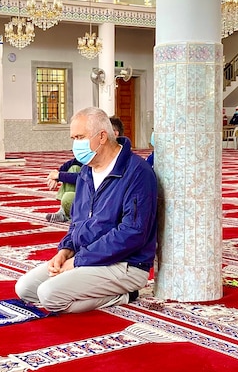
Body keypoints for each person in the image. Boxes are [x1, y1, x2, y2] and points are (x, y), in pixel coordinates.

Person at [15, 107, 157, 314]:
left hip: (126, 264)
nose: (75, 144)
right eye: (73, 138)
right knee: (26, 289)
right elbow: (77, 223)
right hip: (88, 258)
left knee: (49, 296)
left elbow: (132, 233)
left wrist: (78, 261)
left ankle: (125, 295)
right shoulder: (86, 173)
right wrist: (64, 252)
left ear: (101, 136)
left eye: (80, 137)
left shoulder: (137, 173)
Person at [44, 117, 126, 224]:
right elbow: (74, 163)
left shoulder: (119, 159)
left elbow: (82, 178)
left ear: (112, 134)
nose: (78, 142)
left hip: (100, 202)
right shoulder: (94, 155)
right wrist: (56, 174)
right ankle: (64, 212)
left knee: (68, 198)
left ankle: (73, 216)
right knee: (74, 168)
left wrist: (59, 175)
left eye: (81, 137)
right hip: (91, 195)